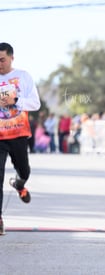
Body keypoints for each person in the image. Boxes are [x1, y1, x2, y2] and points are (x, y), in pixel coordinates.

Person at [0, 42, 41, 235]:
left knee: (24, 170)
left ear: (11, 58)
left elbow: (35, 103)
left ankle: (19, 184)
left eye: (2, 60)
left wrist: (15, 100)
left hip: (18, 134)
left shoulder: (23, 77)